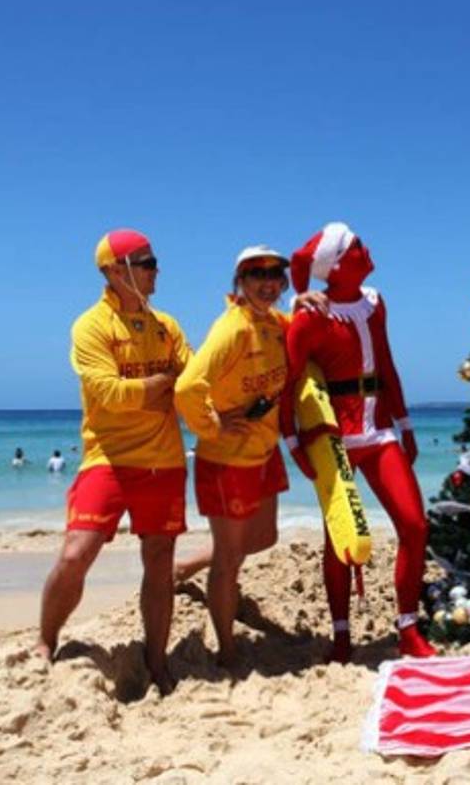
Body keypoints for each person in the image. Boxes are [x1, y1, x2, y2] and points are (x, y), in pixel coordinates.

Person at [36, 229, 190, 695]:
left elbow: (193, 382)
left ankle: (157, 660)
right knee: (77, 552)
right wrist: (166, 380)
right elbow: (110, 395)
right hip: (107, 457)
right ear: (113, 270)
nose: (155, 269)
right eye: (145, 262)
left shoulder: (167, 326)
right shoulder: (91, 326)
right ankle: (45, 640)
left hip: (163, 460)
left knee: (159, 560)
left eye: (154, 260)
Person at [280, 221, 434, 663]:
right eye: (357, 248)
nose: (366, 251)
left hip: (380, 428)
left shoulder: (374, 303)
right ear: (339, 264)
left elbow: (386, 362)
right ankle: (342, 635)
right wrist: (293, 445)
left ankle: (408, 628)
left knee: (414, 526)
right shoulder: (309, 317)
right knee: (340, 537)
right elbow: (287, 387)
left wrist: (404, 423)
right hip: (335, 439)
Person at [172, 246, 292, 669]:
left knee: (263, 538)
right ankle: (227, 651)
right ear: (239, 280)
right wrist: (214, 426)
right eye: (257, 274)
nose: (269, 282)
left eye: (277, 273)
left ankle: (184, 567)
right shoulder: (233, 329)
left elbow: (309, 332)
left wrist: (315, 303)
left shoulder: (276, 323)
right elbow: (187, 388)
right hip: (227, 462)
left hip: (264, 452)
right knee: (229, 558)